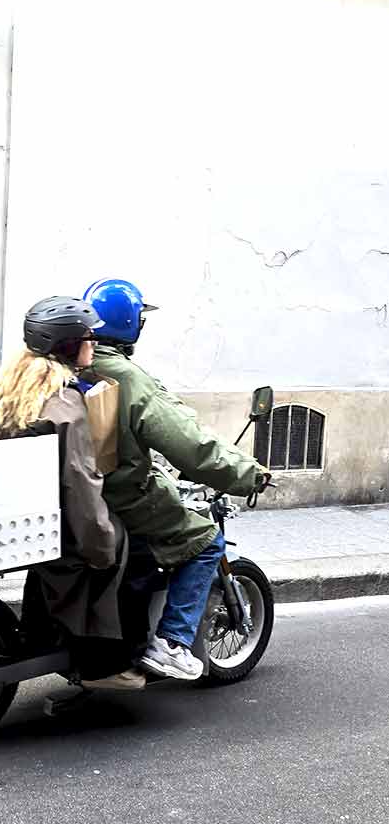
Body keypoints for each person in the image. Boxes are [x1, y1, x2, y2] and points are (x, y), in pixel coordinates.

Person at [82, 278, 269, 682]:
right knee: (205, 541)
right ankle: (170, 643)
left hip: (83, 494)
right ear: (131, 324)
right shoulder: (125, 376)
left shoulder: (70, 364)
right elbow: (188, 443)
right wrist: (247, 473)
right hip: (125, 496)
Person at [0, 296, 141, 690]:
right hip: (47, 518)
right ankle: (101, 663)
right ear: (68, 346)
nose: (94, 343)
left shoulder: (8, 386)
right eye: (88, 337)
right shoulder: (64, 401)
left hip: (7, 512)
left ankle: (45, 629)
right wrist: (101, 543)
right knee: (116, 543)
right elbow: (81, 482)